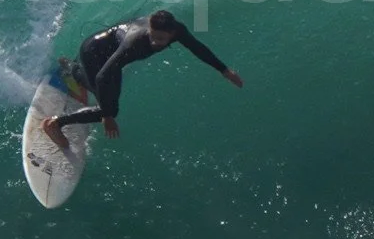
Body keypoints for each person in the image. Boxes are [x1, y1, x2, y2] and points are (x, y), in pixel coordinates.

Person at [42, 9, 241, 151]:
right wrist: (107, 116)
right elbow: (103, 76)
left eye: (161, 39)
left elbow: (197, 48)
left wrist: (224, 70)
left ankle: (71, 69)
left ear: (172, 34)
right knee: (109, 108)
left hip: (108, 55)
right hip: (95, 53)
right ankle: (55, 124)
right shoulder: (135, 42)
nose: (155, 43)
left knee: (105, 95)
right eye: (153, 36)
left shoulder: (178, 31)